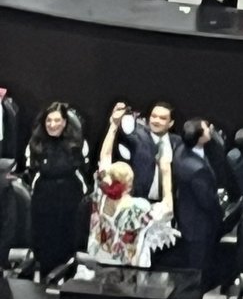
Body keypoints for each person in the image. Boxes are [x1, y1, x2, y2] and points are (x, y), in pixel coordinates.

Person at [87, 102, 177, 267]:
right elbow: (168, 209)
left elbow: (105, 157)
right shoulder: (140, 208)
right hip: (131, 268)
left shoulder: (99, 197)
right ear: (130, 184)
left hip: (101, 262)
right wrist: (166, 172)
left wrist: (114, 125)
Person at [25, 102, 89, 277]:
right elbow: (30, 174)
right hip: (44, 200)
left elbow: (84, 174)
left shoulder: (77, 144)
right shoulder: (35, 144)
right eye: (49, 120)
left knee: (68, 244)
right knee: (46, 245)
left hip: (70, 200)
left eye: (57, 120)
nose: (52, 125)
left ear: (65, 122)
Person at [173, 118, 223, 289]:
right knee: (199, 266)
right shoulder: (196, 169)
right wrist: (220, 213)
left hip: (187, 214)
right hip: (199, 224)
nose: (210, 129)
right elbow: (207, 201)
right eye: (207, 129)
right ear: (200, 138)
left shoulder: (181, 149)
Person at [115, 101, 180, 201]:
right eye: (154, 116)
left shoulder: (177, 143)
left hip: (168, 205)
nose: (156, 121)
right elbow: (122, 136)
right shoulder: (138, 138)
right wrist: (115, 122)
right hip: (140, 202)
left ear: (171, 123)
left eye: (162, 118)